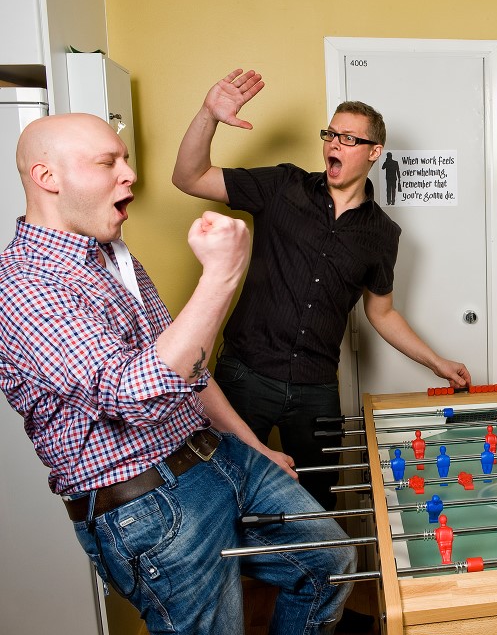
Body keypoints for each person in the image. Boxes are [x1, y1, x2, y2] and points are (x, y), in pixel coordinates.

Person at [0, 113, 356, 634]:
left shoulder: (112, 256)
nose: (130, 173)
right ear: (47, 177)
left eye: (123, 158)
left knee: (331, 562)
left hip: (217, 455)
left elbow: (188, 368)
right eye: (107, 162)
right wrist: (222, 276)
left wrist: (254, 447)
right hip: (149, 506)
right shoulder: (23, 285)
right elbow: (129, 394)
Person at [172, 69, 471, 512]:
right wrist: (208, 116)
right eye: (330, 133)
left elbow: (382, 313)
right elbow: (189, 177)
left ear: (374, 152)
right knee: (220, 493)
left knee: (315, 504)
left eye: (348, 139)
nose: (334, 143)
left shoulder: (382, 234)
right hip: (244, 375)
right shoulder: (282, 185)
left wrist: (438, 362)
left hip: (316, 390)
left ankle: (310, 580)